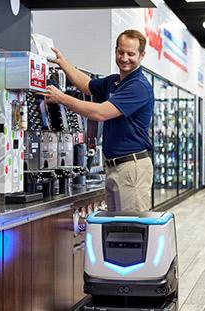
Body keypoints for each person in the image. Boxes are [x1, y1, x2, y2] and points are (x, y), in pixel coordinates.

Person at [44, 29, 154, 212]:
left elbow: (100, 113)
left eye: (130, 54)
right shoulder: (115, 82)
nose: (124, 58)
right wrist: (61, 61)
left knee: (131, 231)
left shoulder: (139, 86)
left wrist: (61, 98)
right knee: (117, 228)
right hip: (114, 167)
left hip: (131, 169)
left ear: (142, 55)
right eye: (121, 52)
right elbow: (86, 85)